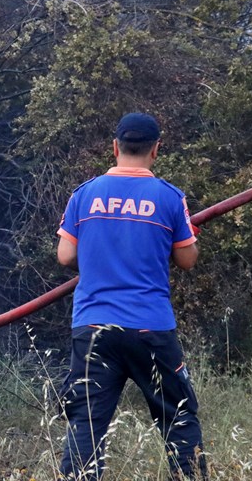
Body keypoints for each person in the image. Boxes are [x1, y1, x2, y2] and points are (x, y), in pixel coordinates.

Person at [55, 113, 206, 480]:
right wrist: (185, 234)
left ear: (115, 147)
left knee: (86, 424)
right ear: (156, 149)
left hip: (93, 329)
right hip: (149, 328)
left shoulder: (84, 194)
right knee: (179, 418)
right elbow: (186, 260)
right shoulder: (169, 198)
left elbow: (65, 256)